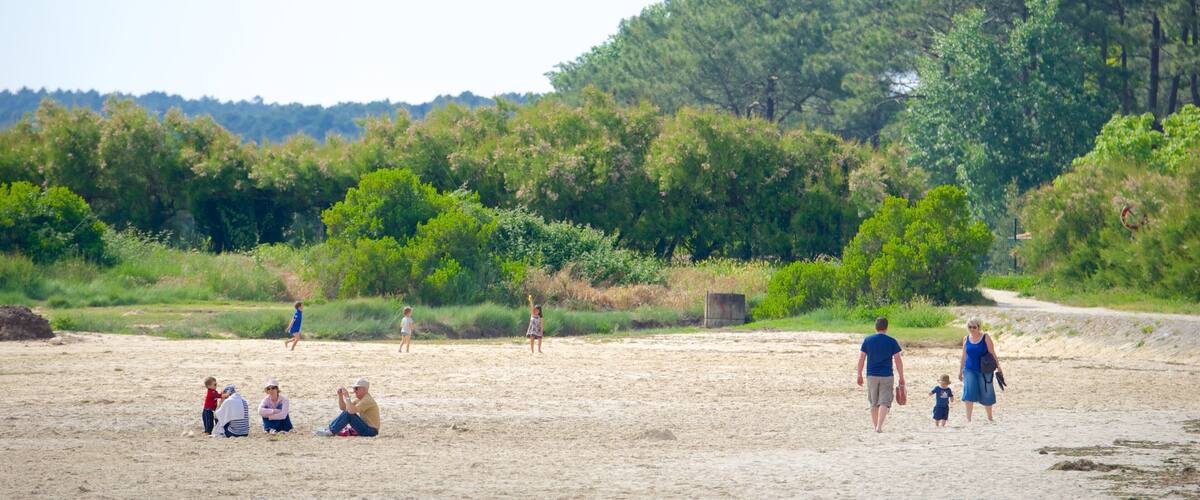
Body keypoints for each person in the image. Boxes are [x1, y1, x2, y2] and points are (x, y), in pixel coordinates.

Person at [856, 317, 905, 433]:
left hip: (871, 375)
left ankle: (875, 427)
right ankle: (879, 426)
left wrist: (859, 374)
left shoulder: (868, 340)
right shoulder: (892, 341)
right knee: (884, 402)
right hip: (887, 375)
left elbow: (861, 358)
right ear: (887, 328)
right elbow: (898, 360)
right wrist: (901, 376)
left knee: (873, 402)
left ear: (875, 327)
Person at [959, 318, 1003, 422]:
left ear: (979, 327)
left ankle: (989, 417)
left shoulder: (985, 337)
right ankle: (968, 419)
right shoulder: (966, 339)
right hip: (969, 369)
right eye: (970, 327)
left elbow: (992, 352)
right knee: (968, 393)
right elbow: (963, 356)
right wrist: (960, 370)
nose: (972, 329)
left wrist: (998, 366)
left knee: (987, 392)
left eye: (974, 327)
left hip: (985, 369)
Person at [314, 378, 379, 437]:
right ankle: (330, 429)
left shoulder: (367, 400)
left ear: (364, 389)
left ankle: (331, 431)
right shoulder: (361, 399)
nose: (354, 391)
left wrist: (347, 396)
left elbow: (350, 411)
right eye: (354, 389)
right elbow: (344, 408)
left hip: (371, 431)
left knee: (349, 413)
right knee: (348, 412)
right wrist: (340, 396)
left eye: (356, 388)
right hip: (368, 429)